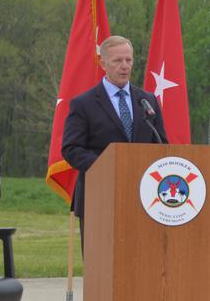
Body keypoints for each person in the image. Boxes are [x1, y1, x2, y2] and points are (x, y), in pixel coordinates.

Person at [62, 35, 167, 249]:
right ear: (103, 64)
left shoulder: (146, 100)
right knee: (101, 265)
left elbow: (161, 144)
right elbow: (71, 149)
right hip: (99, 197)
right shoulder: (84, 104)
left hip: (143, 196)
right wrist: (109, 166)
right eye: (118, 61)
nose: (124, 66)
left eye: (128, 60)